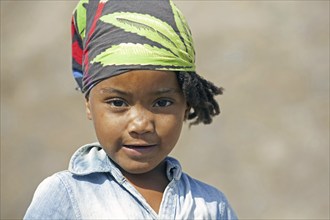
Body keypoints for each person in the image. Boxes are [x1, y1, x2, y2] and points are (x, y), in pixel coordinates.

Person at [24, 0, 238, 219]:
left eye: (162, 103)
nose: (141, 125)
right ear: (88, 103)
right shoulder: (66, 196)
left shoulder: (210, 206)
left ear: (186, 105)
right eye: (118, 103)